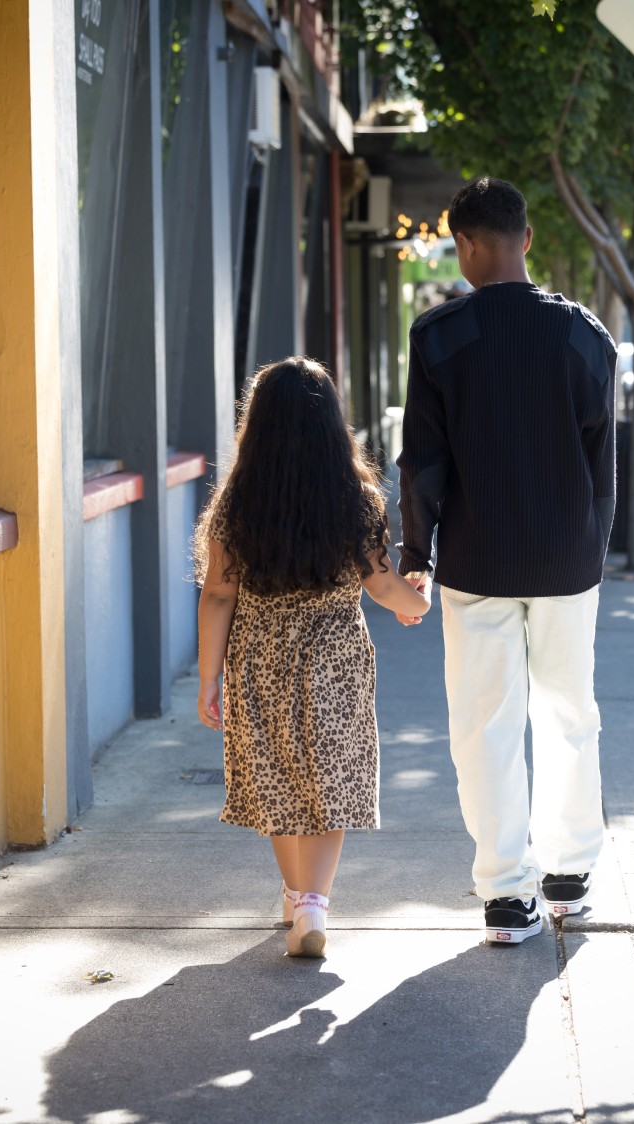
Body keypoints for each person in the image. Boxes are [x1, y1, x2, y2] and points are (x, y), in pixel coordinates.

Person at [396, 177, 616, 945]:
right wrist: (593, 549)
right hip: (564, 558)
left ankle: (504, 894)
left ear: (464, 245)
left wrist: (413, 553)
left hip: (474, 561)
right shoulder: (586, 336)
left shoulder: (437, 336)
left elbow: (421, 462)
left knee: (484, 725)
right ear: (526, 238)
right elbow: (601, 466)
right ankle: (570, 872)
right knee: (569, 714)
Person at [193, 357, 432, 958]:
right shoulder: (356, 498)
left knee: (275, 774)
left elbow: (219, 593)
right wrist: (418, 603)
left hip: (259, 655)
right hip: (334, 656)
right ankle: (314, 905)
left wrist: (208, 675)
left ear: (258, 425)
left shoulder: (235, 505)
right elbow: (381, 585)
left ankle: (296, 896)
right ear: (332, 425)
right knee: (331, 775)